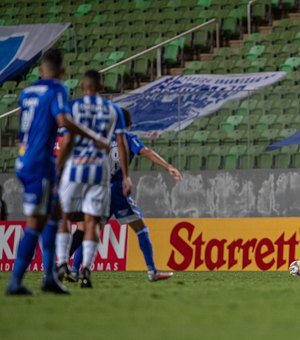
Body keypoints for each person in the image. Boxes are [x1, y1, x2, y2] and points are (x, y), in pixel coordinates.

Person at [6, 49, 110, 296]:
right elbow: (63, 121)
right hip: (40, 163)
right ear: (62, 69)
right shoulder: (57, 90)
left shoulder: (27, 92)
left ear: (40, 69)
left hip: (24, 159)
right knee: (35, 223)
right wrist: (94, 136)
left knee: (56, 214)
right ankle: (16, 281)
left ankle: (51, 276)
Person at [70, 108, 182, 282]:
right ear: (128, 125)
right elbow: (146, 152)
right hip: (117, 190)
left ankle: (74, 270)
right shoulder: (128, 138)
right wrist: (168, 166)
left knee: (91, 231)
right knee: (140, 227)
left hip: (98, 190)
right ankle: (152, 271)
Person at [56, 70, 131, 288]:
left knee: (64, 217)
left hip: (75, 168)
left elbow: (66, 140)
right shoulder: (114, 110)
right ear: (102, 87)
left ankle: (61, 262)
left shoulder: (74, 107)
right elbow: (122, 145)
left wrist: (57, 167)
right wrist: (126, 175)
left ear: (82, 86)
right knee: (92, 222)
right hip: (100, 171)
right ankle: (86, 268)